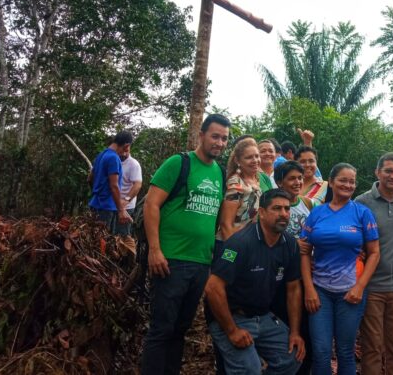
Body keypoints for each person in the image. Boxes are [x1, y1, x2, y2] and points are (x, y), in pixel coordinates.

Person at [140, 113, 231, 375]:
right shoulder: (179, 163)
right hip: (171, 260)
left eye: (224, 138)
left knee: (180, 329)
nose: (220, 143)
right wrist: (155, 250)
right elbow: (151, 203)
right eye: (215, 136)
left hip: (201, 263)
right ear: (201, 135)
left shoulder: (220, 174)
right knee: (162, 329)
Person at [205, 188, 305, 374]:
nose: (283, 214)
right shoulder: (240, 243)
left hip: (263, 316)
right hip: (231, 316)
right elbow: (212, 288)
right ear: (262, 213)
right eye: (277, 208)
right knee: (249, 369)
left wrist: (295, 332)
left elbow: (293, 289)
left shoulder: (290, 243)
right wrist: (232, 330)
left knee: (292, 356)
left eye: (287, 209)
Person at [300, 163, 380, 375]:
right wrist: (309, 289)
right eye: (343, 180)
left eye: (352, 181)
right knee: (321, 351)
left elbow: (374, 253)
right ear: (332, 182)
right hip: (320, 292)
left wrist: (360, 287)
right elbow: (304, 251)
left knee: (345, 351)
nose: (348, 185)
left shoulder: (362, 213)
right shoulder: (317, 213)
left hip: (350, 292)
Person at [356, 152, 393, 375]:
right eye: (388, 171)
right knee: (372, 348)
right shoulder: (362, 202)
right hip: (370, 287)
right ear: (377, 172)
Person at [272, 161, 314, 374]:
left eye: (300, 178)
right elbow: (267, 233)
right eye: (291, 178)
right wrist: (291, 242)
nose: (297, 182)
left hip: (306, 274)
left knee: (306, 330)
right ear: (279, 182)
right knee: (285, 325)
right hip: (280, 275)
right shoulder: (274, 204)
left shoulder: (307, 203)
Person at [218, 137, 272, 241]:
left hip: (247, 243)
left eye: (257, 156)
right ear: (237, 161)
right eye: (249, 157)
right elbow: (226, 225)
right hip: (232, 244)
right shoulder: (235, 184)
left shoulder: (256, 179)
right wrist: (233, 253)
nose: (255, 160)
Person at [88, 131, 134, 234]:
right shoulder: (114, 158)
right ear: (126, 146)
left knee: (94, 239)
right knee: (104, 242)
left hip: (95, 204)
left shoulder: (101, 155)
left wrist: (97, 192)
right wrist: (121, 210)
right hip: (106, 208)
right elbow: (114, 186)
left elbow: (90, 178)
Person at [117, 145, 142, 237]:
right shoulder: (113, 160)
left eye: (126, 149)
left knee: (122, 236)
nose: (124, 152)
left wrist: (126, 200)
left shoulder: (133, 164)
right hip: (112, 204)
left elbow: (137, 185)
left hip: (126, 206)